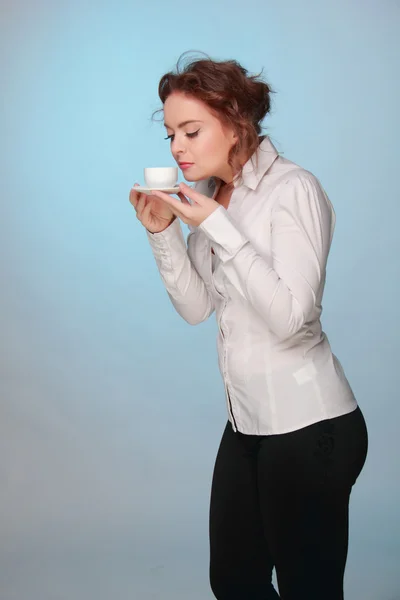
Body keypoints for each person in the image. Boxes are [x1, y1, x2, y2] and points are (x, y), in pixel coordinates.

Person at [129, 53, 368, 600]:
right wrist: (163, 232)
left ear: (236, 121)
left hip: (313, 429)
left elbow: (292, 318)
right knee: (234, 579)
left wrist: (215, 225)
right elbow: (196, 309)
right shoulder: (211, 197)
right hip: (247, 426)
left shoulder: (294, 190)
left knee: (309, 587)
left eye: (190, 131)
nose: (176, 149)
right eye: (170, 135)